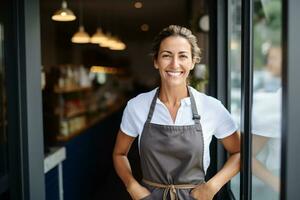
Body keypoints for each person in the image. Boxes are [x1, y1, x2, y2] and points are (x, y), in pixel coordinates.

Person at [112, 25, 240, 200]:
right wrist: (133, 187)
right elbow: (119, 154)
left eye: (183, 56)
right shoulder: (137, 106)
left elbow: (239, 153)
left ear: (193, 62)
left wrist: (211, 187)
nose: (174, 64)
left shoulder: (211, 107)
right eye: (166, 55)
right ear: (156, 61)